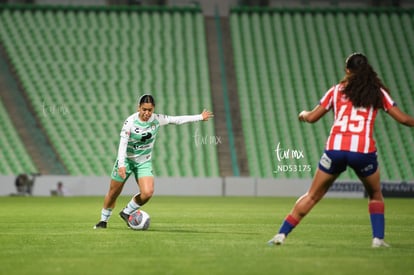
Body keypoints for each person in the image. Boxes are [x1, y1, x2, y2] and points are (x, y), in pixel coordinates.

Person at [268, 53, 414, 248]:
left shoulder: (336, 91)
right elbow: (404, 119)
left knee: (312, 195)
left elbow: (312, 118)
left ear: (347, 70)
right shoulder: (377, 93)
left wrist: (302, 115)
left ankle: (281, 235)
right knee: (375, 194)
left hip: (335, 149)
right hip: (363, 152)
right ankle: (377, 239)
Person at [94, 94, 214, 229]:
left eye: (149, 110)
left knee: (148, 192)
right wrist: (121, 165)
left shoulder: (157, 119)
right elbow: (122, 144)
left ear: (153, 109)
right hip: (126, 160)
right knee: (113, 193)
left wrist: (199, 117)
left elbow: (177, 120)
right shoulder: (130, 122)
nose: (147, 113)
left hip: (143, 162)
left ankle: (126, 212)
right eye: (144, 109)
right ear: (138, 108)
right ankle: (103, 220)